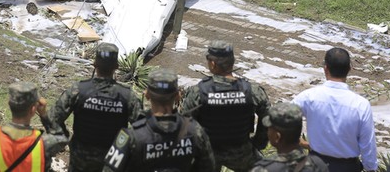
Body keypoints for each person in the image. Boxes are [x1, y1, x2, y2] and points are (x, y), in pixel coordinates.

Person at [180, 40, 271, 172]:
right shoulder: (252, 91)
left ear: (212, 64)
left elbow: (184, 124)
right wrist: (259, 142)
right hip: (241, 152)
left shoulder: (198, 92)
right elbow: (268, 118)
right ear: (232, 62)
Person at [52, 42, 142, 172]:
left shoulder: (78, 90)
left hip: (80, 160)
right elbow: (143, 129)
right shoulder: (127, 96)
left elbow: (54, 117)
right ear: (116, 66)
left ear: (94, 64)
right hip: (113, 161)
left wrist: (65, 137)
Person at [103, 68, 215, 172]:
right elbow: (209, 167)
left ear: (147, 95)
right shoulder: (195, 130)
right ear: (178, 96)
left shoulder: (132, 136)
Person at [292, 47, 377, 172]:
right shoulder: (361, 105)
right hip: (348, 167)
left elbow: (281, 119)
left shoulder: (309, 97)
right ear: (349, 69)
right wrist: (371, 168)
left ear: (325, 68)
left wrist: (301, 143)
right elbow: (368, 144)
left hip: (314, 165)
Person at [0, 82, 68, 171]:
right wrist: (44, 115)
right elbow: (62, 138)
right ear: (34, 109)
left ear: (9, 104)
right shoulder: (44, 143)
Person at [249, 103, 328, 172]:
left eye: (269, 128)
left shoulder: (263, 169)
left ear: (277, 137)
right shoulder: (319, 165)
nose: (267, 132)